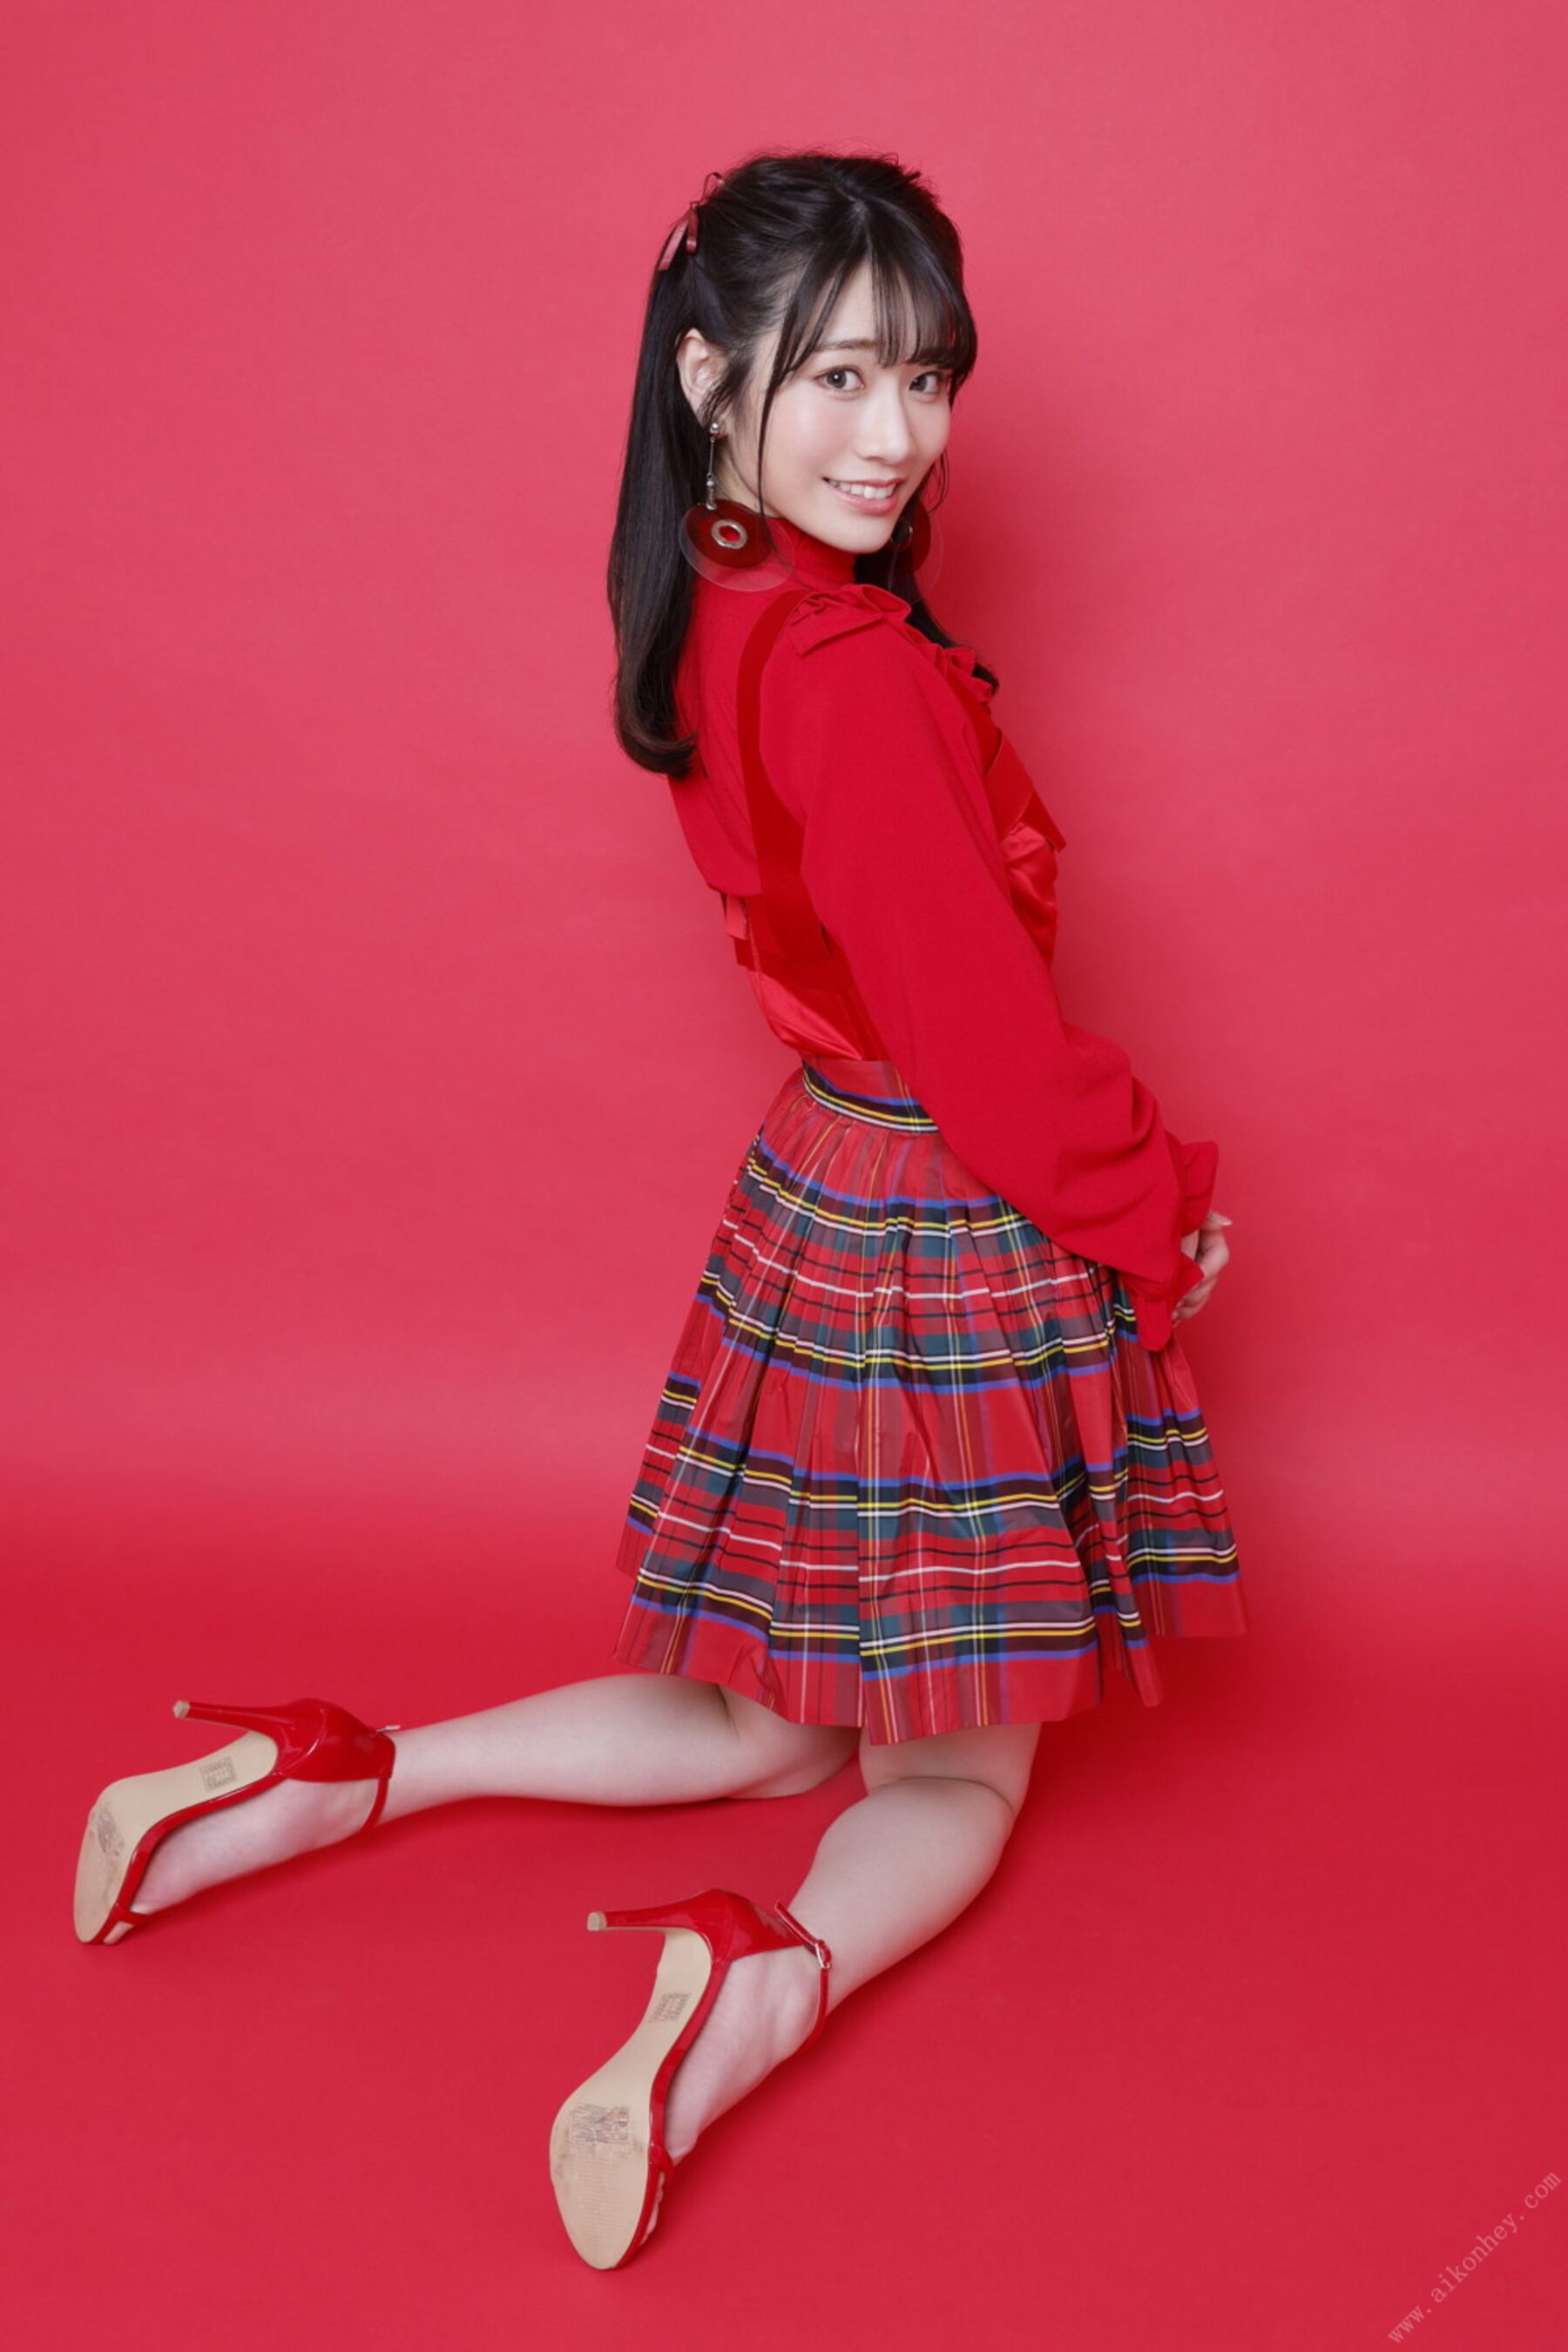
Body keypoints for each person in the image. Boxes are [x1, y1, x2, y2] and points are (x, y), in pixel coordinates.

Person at [71, 149, 1246, 2272]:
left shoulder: (720, 609)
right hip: (941, 1210)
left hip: (823, 1181)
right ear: (711, 378)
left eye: (927, 377)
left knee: (763, 1722)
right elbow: (987, 1049)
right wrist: (1158, 1204)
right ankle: (767, 1980)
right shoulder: (854, 667)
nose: (896, 434)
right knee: (943, 1783)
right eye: (839, 378)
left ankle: (347, 1767)